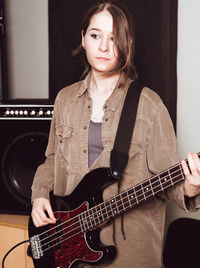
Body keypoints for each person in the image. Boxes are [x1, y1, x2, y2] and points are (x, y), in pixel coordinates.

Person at [31, 1, 200, 267]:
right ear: (83, 39)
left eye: (114, 38)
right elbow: (51, 159)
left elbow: (168, 181)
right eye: (96, 35)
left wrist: (190, 187)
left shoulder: (150, 105)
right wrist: (39, 195)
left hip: (131, 253)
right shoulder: (65, 99)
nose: (104, 47)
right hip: (68, 246)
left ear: (127, 44)